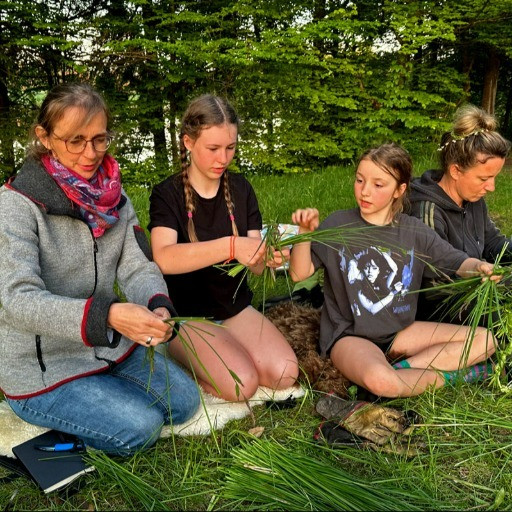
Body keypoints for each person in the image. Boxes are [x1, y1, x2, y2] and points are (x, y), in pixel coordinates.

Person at [0, 83, 199, 455]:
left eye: (99, 139)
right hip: (41, 368)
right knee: (139, 428)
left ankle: (104, 397)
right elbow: (18, 301)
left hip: (108, 346)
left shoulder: (115, 198)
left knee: (184, 402)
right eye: (76, 140)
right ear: (45, 137)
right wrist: (107, 315)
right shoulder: (15, 205)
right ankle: (44, 417)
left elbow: (137, 265)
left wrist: (157, 304)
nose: (90, 153)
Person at [289, 143, 498, 398]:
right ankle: (447, 376)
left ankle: (404, 370)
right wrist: (305, 234)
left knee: (486, 340)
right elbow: (299, 274)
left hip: (400, 332)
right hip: (351, 336)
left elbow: (456, 262)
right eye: (359, 180)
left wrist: (479, 267)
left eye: (378, 185)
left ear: (399, 190)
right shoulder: (338, 224)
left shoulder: (413, 230)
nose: (365, 192)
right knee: (382, 382)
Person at [149, 94, 298, 401]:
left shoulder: (241, 189)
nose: (223, 159)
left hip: (234, 308)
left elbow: (254, 261)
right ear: (189, 143)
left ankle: (224, 349)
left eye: (230, 148)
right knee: (241, 384)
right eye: (213, 149)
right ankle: (183, 353)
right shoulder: (167, 194)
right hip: (189, 316)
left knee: (284, 374)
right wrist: (231, 246)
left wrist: (269, 257)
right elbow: (164, 258)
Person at [409, 104, 511, 321]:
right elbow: (434, 288)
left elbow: (494, 245)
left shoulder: (473, 198)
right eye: (484, 179)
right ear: (455, 170)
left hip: (476, 290)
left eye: (494, 178)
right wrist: (502, 286)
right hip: (439, 312)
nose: (491, 187)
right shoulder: (426, 211)